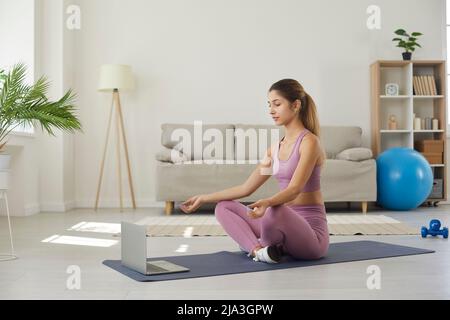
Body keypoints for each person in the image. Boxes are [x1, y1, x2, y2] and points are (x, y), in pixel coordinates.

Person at [180, 79, 329, 264]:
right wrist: (204, 198)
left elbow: (295, 189)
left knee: (275, 210)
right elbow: (246, 188)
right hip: (279, 227)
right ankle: (259, 251)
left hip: (310, 235)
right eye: (269, 105)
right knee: (223, 206)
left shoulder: (309, 142)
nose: (271, 110)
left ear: (296, 105)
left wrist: (267, 202)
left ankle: (257, 244)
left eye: (277, 104)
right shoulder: (273, 150)